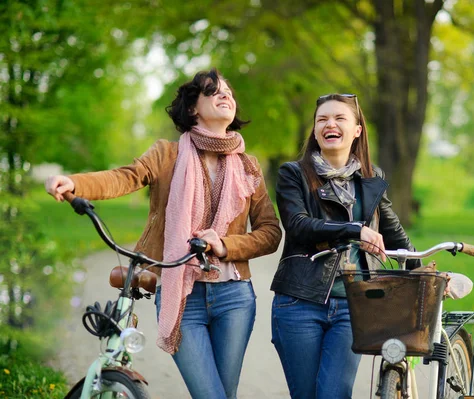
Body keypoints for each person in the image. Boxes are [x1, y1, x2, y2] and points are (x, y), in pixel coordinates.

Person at [45, 68, 282, 399]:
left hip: (234, 296)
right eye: (213, 91)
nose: (225, 95)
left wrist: (226, 245)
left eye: (228, 91)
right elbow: (124, 177)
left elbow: (270, 232)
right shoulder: (167, 155)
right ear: (192, 108)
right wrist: (76, 183)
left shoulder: (249, 167)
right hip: (182, 296)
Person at [270, 93, 421, 399]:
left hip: (353, 306)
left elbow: (392, 231)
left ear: (357, 130)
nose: (330, 124)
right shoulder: (293, 174)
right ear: (314, 131)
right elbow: (298, 225)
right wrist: (354, 230)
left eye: (340, 118)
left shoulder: (371, 177)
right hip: (299, 302)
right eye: (322, 119)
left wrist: (421, 268)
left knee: (334, 394)